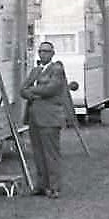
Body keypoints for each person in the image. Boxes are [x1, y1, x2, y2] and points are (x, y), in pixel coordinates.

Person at [20, 41, 69, 198]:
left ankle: (54, 187)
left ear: (53, 53)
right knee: (38, 153)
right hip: (34, 117)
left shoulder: (57, 69)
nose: (43, 54)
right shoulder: (36, 70)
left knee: (51, 153)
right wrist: (35, 92)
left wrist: (33, 91)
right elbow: (22, 89)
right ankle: (42, 185)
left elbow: (51, 89)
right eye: (41, 51)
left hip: (50, 118)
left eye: (46, 51)